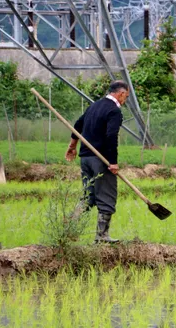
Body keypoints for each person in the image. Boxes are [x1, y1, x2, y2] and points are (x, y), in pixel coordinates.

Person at [66, 80, 130, 243]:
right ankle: (102, 237)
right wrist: (113, 162)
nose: (125, 101)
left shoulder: (94, 106)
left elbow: (77, 125)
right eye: (126, 97)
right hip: (100, 160)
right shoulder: (114, 111)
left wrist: (72, 146)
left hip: (86, 159)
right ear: (121, 93)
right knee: (107, 196)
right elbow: (111, 136)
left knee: (88, 196)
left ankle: (67, 229)